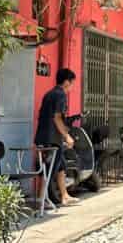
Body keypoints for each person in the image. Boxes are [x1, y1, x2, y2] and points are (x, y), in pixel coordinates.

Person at [35, 68, 78, 207]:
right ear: (67, 82)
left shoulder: (49, 94)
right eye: (72, 83)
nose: (72, 87)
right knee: (51, 167)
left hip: (43, 135)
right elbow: (57, 117)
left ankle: (64, 195)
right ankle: (43, 198)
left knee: (61, 165)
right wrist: (67, 136)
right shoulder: (61, 95)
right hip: (52, 138)